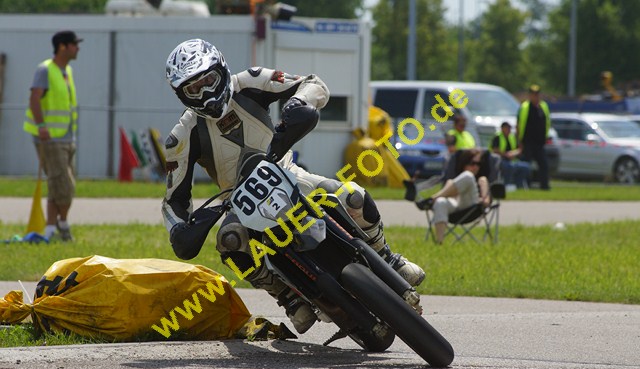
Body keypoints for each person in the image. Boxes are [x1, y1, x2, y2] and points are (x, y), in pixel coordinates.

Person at [161, 39, 425, 334]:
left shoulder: (251, 81)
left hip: (286, 171)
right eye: (193, 89)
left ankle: (387, 257)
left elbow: (314, 83)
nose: (206, 93)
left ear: (221, 69)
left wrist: (300, 102)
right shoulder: (180, 138)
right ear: (181, 95)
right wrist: (180, 228)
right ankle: (286, 295)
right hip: (238, 201)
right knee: (230, 242)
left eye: (209, 80)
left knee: (354, 197)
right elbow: (173, 200)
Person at [23, 30, 82, 241]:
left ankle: (50, 229)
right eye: (75, 44)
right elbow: (34, 99)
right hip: (50, 138)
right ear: (63, 46)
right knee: (64, 184)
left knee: (58, 184)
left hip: (66, 136)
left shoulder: (67, 71)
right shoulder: (45, 69)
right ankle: (61, 225)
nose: (78, 48)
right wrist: (41, 126)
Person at [422, 149, 489, 244]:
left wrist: (483, 200)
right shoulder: (454, 180)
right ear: (464, 163)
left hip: (472, 206)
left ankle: (432, 199)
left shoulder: (481, 179)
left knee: (468, 176)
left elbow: (486, 201)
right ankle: (439, 243)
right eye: (472, 163)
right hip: (455, 205)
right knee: (441, 202)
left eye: (478, 164)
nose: (475, 167)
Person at [517, 84, 551, 190]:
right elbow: (518, 124)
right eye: (533, 94)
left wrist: (546, 136)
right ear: (529, 95)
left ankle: (544, 186)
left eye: (537, 94)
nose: (535, 96)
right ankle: (526, 186)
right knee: (527, 165)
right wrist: (519, 141)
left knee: (544, 165)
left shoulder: (543, 106)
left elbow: (547, 122)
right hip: (527, 142)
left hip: (539, 142)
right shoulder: (524, 107)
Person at [491, 122, 530, 189]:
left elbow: (519, 149)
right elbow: (495, 150)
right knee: (509, 167)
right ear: (502, 129)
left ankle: (519, 185)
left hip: (512, 160)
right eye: (507, 128)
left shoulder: (512, 137)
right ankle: (507, 185)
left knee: (525, 167)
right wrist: (506, 154)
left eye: (509, 128)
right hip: (500, 160)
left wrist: (513, 153)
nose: (508, 130)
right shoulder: (497, 137)